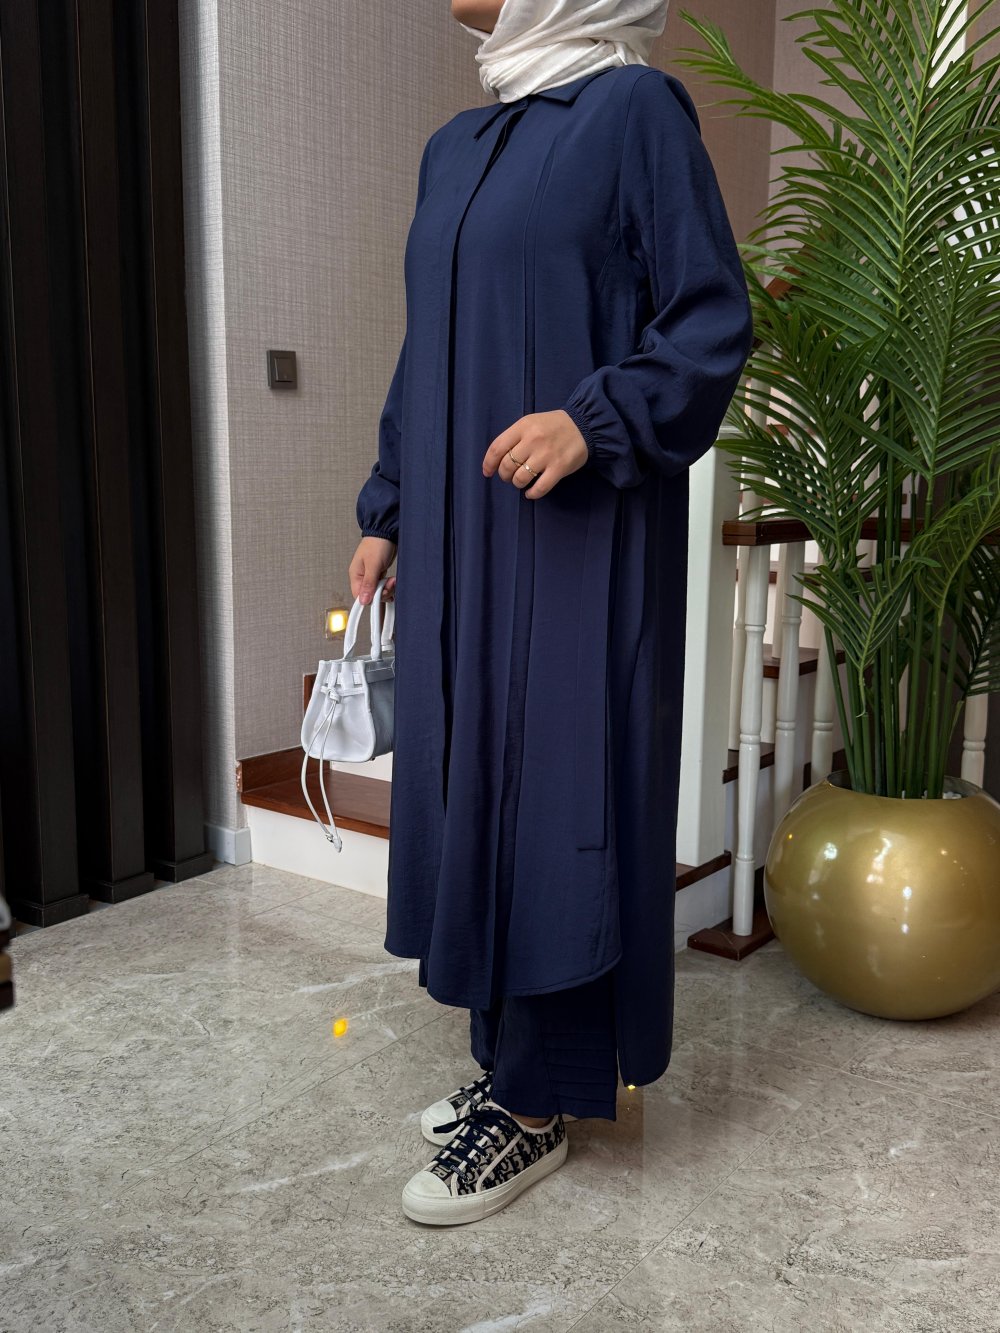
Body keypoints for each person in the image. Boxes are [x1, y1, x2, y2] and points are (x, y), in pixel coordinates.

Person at [349, 0, 753, 1227]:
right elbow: (426, 350)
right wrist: (387, 508)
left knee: (555, 798)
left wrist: (594, 420)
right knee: (475, 784)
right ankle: (504, 1060)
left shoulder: (632, 111)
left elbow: (709, 318)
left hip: (577, 537)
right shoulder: (457, 144)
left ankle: (536, 1105)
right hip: (461, 535)